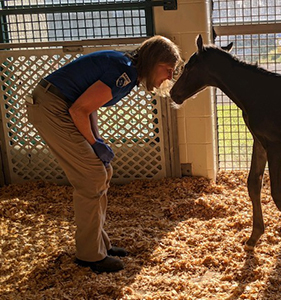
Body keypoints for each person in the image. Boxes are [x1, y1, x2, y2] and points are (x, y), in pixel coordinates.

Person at [26, 35, 182, 273]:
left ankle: (99, 245)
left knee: (103, 171)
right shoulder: (125, 71)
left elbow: (89, 107)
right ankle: (89, 255)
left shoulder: (127, 69)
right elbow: (79, 110)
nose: (170, 77)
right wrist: (94, 143)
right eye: (168, 69)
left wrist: (97, 141)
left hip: (58, 105)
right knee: (92, 176)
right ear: (153, 62)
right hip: (51, 106)